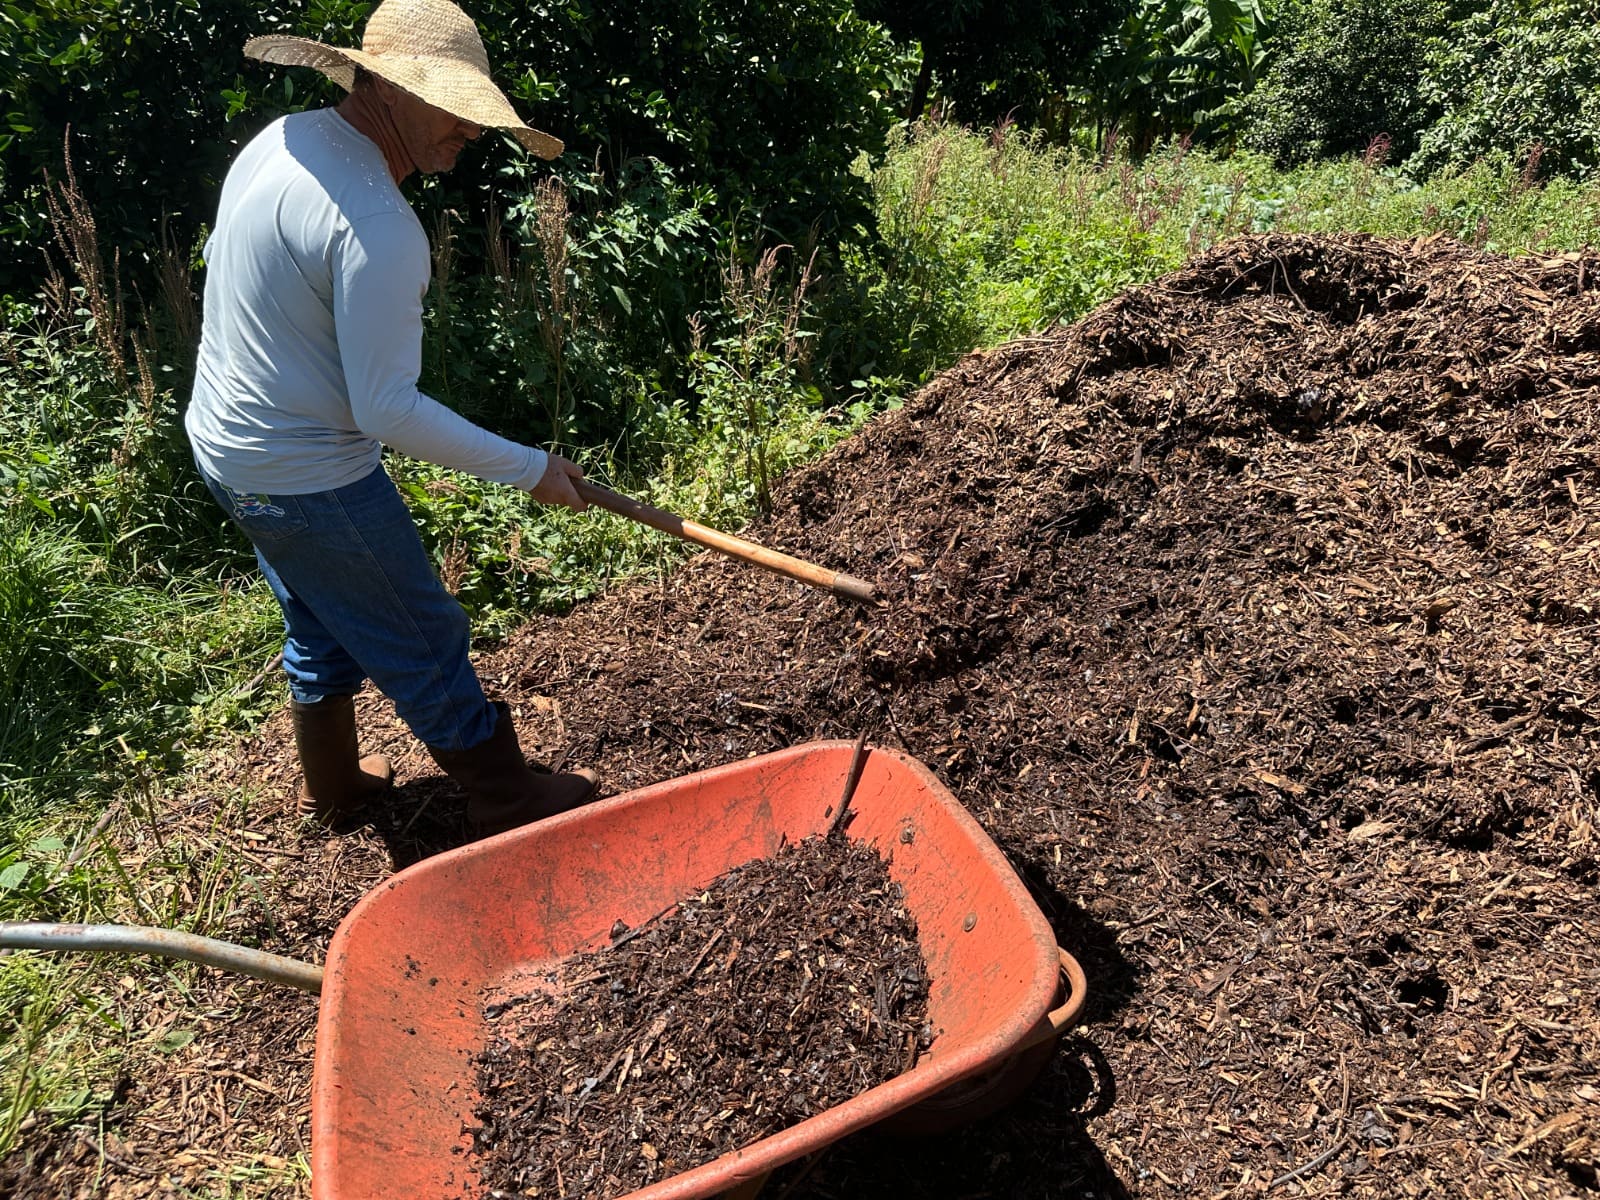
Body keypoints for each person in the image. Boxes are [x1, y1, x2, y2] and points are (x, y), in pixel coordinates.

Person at [186, 0, 599, 840]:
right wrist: (530, 468)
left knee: (319, 607)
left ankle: (335, 783)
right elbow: (386, 408)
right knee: (421, 626)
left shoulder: (285, 139)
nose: (472, 133)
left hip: (226, 446)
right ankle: (507, 795)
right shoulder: (377, 223)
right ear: (387, 86)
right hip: (301, 472)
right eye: (456, 107)